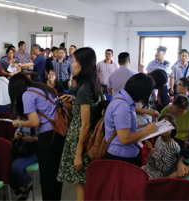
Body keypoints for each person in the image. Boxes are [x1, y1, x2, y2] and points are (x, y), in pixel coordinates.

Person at [9, 73, 65, 200]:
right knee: (56, 173)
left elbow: (34, 122)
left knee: (46, 175)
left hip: (48, 136)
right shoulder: (42, 88)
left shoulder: (27, 95)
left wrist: (18, 123)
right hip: (59, 133)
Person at [57, 47, 101, 201]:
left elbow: (86, 124)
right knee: (84, 182)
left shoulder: (83, 89)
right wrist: (74, 100)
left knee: (80, 184)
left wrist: (77, 154)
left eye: (75, 61)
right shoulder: (93, 83)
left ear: (84, 64)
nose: (72, 65)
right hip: (89, 138)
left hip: (80, 138)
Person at [104, 73, 156, 164]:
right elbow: (124, 138)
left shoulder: (125, 101)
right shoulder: (122, 106)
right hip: (120, 157)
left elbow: (127, 127)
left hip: (124, 154)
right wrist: (146, 131)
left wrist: (144, 126)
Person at [142, 114, 180, 179]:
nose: (164, 128)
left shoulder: (173, 146)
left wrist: (153, 153)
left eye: (167, 125)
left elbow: (164, 169)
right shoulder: (159, 138)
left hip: (163, 175)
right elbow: (154, 160)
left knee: (142, 178)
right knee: (137, 172)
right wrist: (150, 150)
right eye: (161, 125)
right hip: (153, 168)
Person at [11, 126, 38, 200]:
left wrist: (33, 139)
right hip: (21, 150)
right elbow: (16, 133)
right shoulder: (23, 122)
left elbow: (44, 139)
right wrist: (17, 135)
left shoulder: (40, 122)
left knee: (16, 167)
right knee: (7, 163)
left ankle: (26, 185)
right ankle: (21, 186)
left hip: (34, 153)